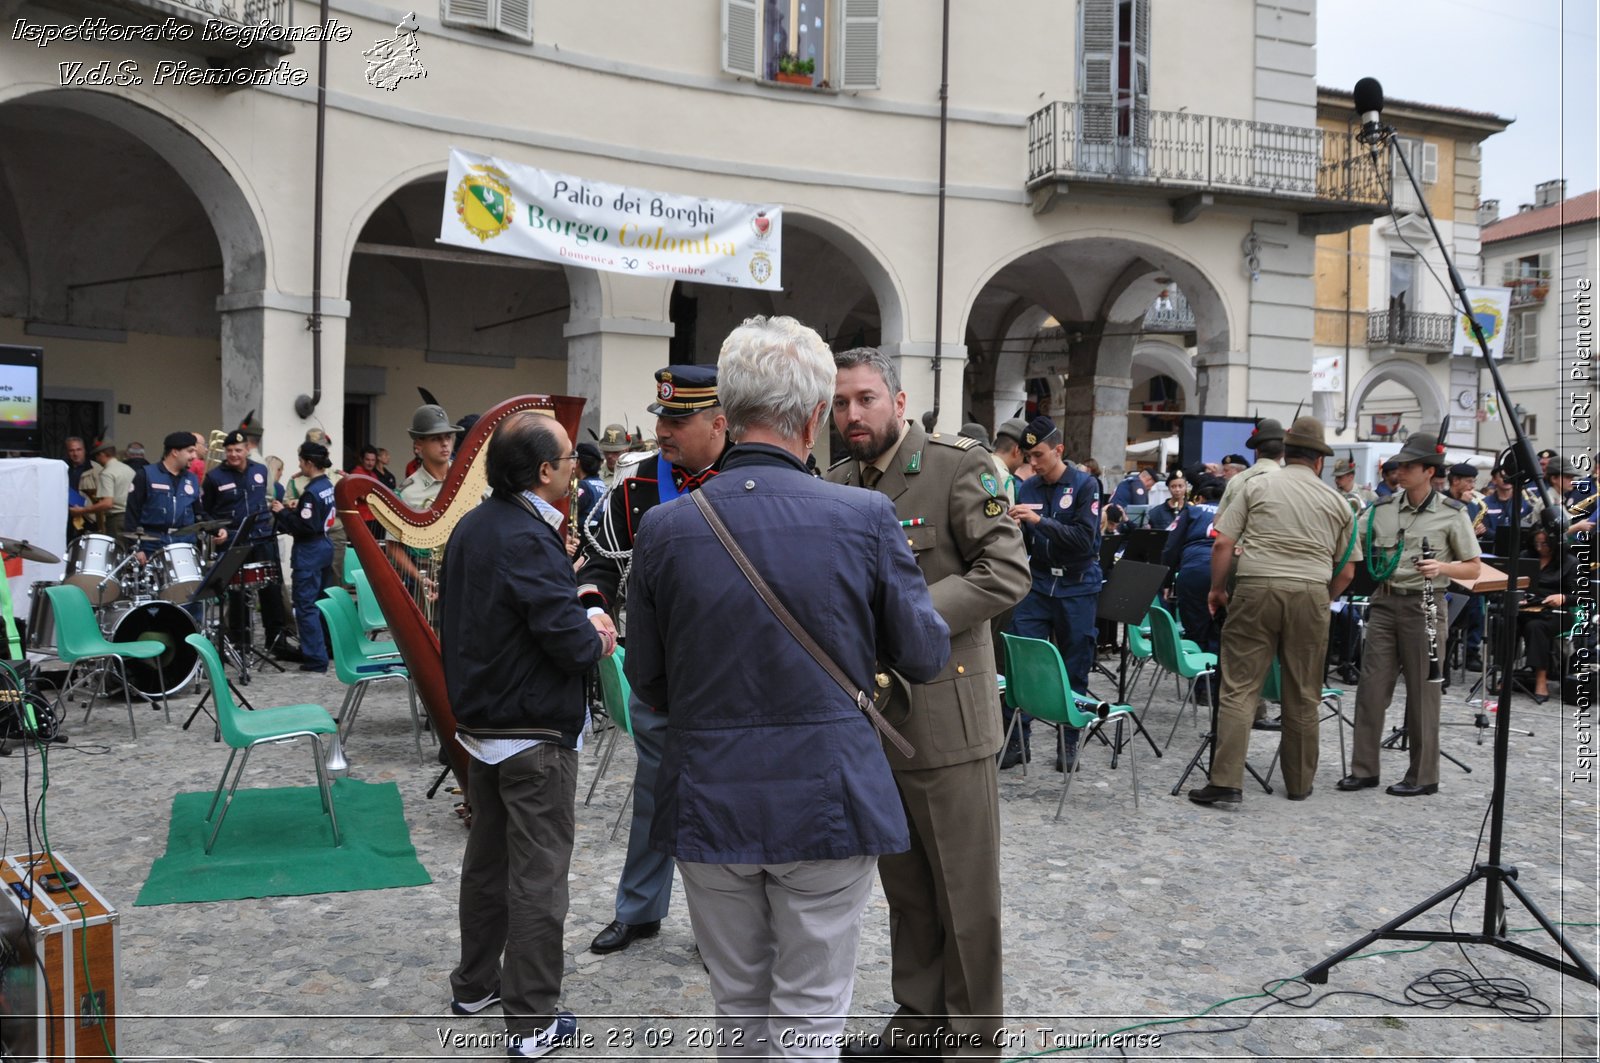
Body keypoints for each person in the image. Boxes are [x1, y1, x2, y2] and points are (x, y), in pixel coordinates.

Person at [626, 315, 950, 1057]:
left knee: (738, 1006)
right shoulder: (865, 515)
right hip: (826, 800)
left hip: (711, 797)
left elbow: (648, 682)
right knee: (809, 1013)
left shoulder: (666, 528)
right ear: (813, 416)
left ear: (729, 413)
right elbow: (926, 654)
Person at [827, 345, 1028, 1060]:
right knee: (908, 890)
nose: (852, 413)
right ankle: (918, 1021)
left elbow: (1005, 572)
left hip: (946, 718)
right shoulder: (838, 482)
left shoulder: (953, 465)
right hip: (875, 722)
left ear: (899, 400)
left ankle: (973, 1042)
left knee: (965, 897)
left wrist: (904, 619)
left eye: (865, 398)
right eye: (841, 401)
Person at [439, 410, 615, 1059]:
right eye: (568, 456)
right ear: (544, 471)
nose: (577, 463)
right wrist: (596, 627)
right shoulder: (525, 535)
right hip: (533, 729)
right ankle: (533, 1017)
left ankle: (474, 984)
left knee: (487, 863)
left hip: (484, 725)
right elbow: (568, 643)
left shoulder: (476, 525)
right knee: (538, 876)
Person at [579, 364, 731, 957]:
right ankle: (639, 910)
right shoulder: (638, 485)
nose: (663, 430)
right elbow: (596, 562)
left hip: (731, 674)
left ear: (720, 423)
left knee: (724, 799)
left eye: (678, 419)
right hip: (660, 675)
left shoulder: (751, 478)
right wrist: (595, 607)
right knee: (654, 792)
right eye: (661, 417)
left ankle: (721, 926)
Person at [1188, 417, 1358, 808]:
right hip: (1312, 594)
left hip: (1256, 588)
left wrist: (1216, 590)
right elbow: (1347, 570)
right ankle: (1299, 783)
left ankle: (1227, 781)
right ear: (1318, 462)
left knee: (1240, 688)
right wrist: (1320, 594)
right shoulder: (1338, 501)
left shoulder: (1255, 484)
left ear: (1287, 453)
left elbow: (1222, 544)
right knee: (1303, 693)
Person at [1339, 432, 1481, 798]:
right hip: (1385, 603)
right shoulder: (1383, 509)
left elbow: (1473, 568)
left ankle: (1423, 776)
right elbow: (1353, 536)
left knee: (1423, 693)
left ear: (1428, 471)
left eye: (1408, 466)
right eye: (1399, 465)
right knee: (1371, 689)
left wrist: (1443, 567)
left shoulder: (1452, 514)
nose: (1399, 471)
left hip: (1427, 605)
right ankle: (1364, 769)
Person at [1006, 415, 1103, 771]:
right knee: (1026, 660)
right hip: (1040, 583)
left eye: (1039, 455)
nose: (1033, 463)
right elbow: (1024, 541)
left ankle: (1069, 742)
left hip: (1077, 585)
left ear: (1059, 450)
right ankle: (1018, 740)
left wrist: (1039, 522)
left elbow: (1083, 540)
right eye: (1028, 456)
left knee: (1075, 663)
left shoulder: (1085, 486)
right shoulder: (1028, 488)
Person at [203, 429, 289, 656]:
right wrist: (216, 528)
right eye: (229, 450)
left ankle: (276, 640)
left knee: (271, 590)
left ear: (247, 450)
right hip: (233, 540)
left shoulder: (260, 470)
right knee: (237, 593)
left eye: (238, 450)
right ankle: (240, 642)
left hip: (261, 537)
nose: (233, 455)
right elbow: (205, 512)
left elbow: (268, 498)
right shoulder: (214, 477)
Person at [270, 442, 337, 673]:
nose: (299, 465)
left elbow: (304, 527)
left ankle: (314, 658)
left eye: (300, 461)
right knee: (321, 602)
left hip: (309, 551)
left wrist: (283, 513)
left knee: (306, 605)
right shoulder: (326, 484)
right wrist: (299, 506)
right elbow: (316, 514)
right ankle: (327, 649)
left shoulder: (310, 491)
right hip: (325, 547)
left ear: (309, 463)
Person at [128, 431, 225, 563]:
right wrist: (136, 548)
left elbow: (198, 513)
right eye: (190, 451)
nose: (194, 456)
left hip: (184, 546)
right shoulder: (145, 475)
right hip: (152, 546)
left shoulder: (191, 479)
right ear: (175, 452)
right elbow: (132, 514)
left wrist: (217, 529)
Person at [1162, 474, 1224, 661]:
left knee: (1196, 629)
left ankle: (1200, 684)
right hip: (1222, 570)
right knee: (1221, 630)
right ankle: (1216, 680)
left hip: (1193, 572)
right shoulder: (1231, 511)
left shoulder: (1192, 511)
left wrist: (1167, 581)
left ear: (1201, 497)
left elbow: (1171, 547)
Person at [1518, 526, 1578, 703]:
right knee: (1504, 620)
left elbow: (1580, 595)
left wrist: (1563, 597)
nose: (1539, 547)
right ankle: (1505, 673)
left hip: (1557, 612)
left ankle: (1540, 678)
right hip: (1528, 608)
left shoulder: (1570, 563)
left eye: (1544, 543)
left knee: (1536, 627)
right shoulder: (1526, 557)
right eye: (1536, 543)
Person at [1445, 463, 1488, 671]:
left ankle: (1472, 651)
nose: (1473, 486)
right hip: (1446, 565)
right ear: (1455, 481)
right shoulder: (1444, 501)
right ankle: (1445, 651)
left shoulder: (1473, 505)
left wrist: (1481, 530)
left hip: (1467, 565)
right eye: (1469, 481)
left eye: (1473, 481)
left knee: (1476, 609)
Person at [86, 439, 136, 539]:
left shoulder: (107, 473)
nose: (96, 459)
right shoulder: (128, 469)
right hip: (131, 517)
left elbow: (107, 503)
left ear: (102, 454)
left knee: (117, 551)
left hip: (116, 519)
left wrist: (83, 510)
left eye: (97, 456)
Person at [993, 418, 1029, 504]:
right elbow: (1006, 516)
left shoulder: (978, 465)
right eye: (1025, 456)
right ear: (1017, 451)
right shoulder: (1005, 479)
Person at [573, 442, 605, 527]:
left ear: (578, 462)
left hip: (583, 536)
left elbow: (570, 512)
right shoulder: (602, 484)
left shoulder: (583, 486)